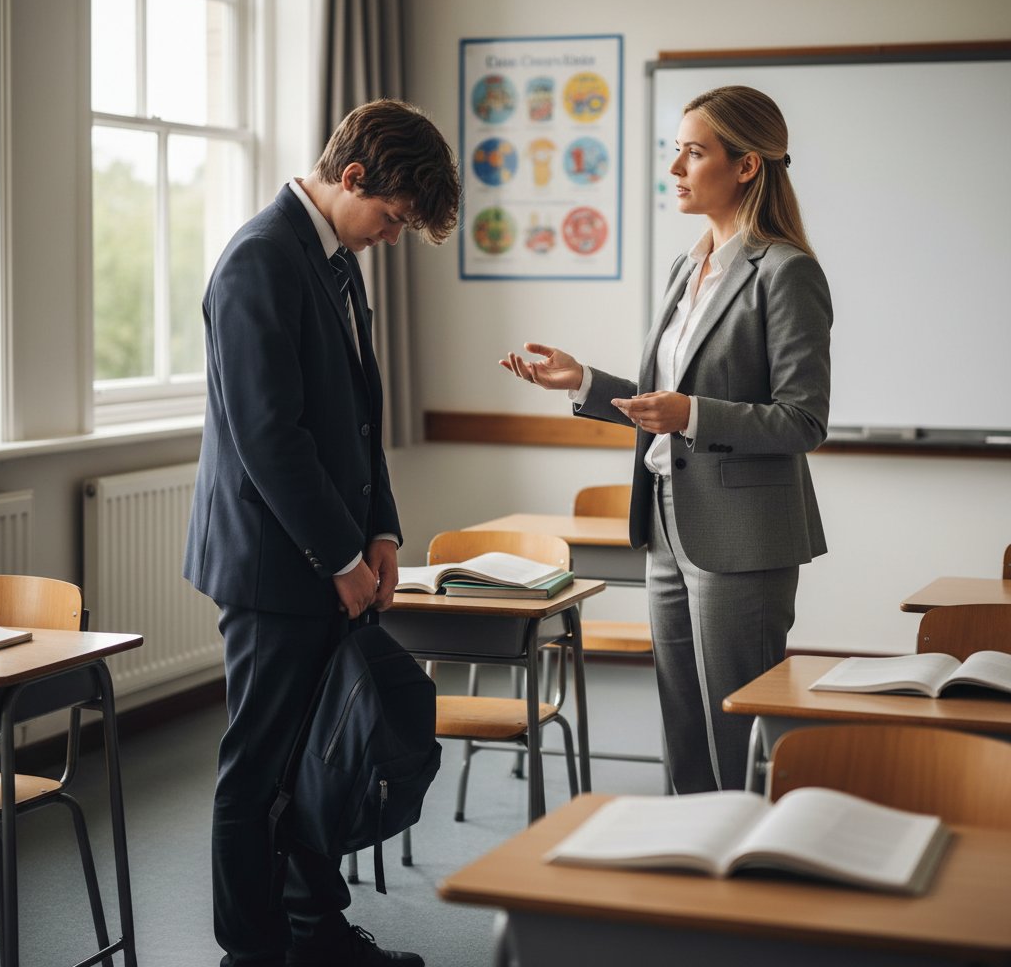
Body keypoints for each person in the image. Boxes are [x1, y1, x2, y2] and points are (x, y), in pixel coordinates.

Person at [184, 99, 460, 967]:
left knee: (315, 766)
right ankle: (254, 952)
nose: (389, 234)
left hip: (333, 554)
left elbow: (358, 424)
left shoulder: (336, 260)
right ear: (351, 178)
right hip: (274, 568)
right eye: (390, 216)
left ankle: (316, 933)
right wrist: (340, 555)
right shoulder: (259, 260)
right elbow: (272, 439)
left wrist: (380, 532)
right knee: (257, 769)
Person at [502, 86, 832, 794]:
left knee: (734, 724)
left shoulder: (784, 271)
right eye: (675, 151)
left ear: (746, 167)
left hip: (742, 532)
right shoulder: (691, 267)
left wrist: (693, 415)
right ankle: (692, 862)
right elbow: (665, 405)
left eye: (694, 152)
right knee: (681, 718)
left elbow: (803, 420)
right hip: (664, 517)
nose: (676, 168)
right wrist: (582, 380)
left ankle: (746, 868)